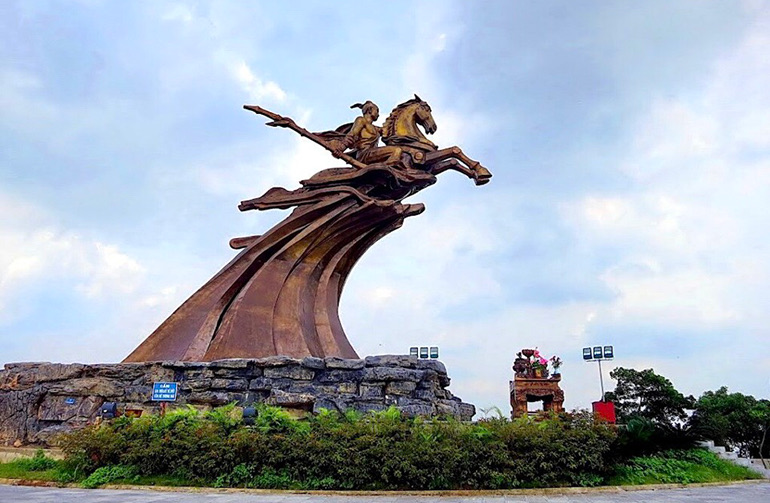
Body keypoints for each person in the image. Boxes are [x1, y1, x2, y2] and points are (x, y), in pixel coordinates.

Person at [332, 101, 406, 167]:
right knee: (397, 150)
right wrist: (340, 149)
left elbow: (389, 130)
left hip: (373, 154)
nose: (378, 114)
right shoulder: (361, 120)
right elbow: (352, 134)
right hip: (364, 154)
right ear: (370, 110)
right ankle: (384, 168)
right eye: (377, 111)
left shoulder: (376, 129)